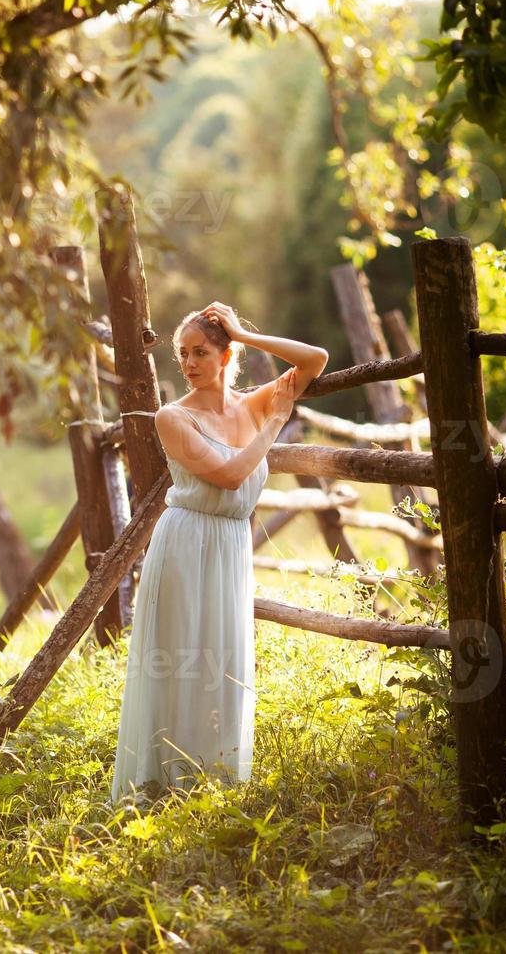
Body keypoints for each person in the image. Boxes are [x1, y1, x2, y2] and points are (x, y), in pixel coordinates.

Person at [110, 302, 329, 803]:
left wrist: (246, 334)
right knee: (182, 659)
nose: (189, 363)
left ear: (225, 355)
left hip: (231, 545)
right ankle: (160, 784)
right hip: (186, 541)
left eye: (202, 352)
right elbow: (230, 477)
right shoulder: (173, 417)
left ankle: (213, 781)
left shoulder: (250, 404)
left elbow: (315, 358)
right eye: (182, 354)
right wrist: (275, 425)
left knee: (221, 658)